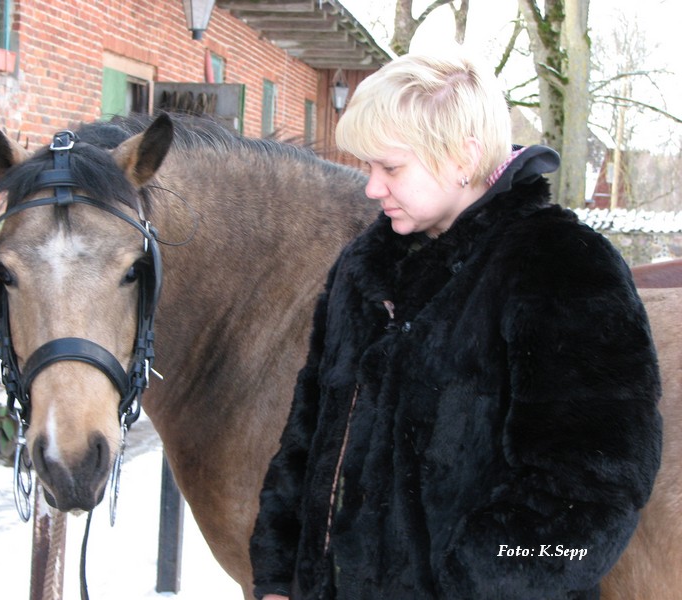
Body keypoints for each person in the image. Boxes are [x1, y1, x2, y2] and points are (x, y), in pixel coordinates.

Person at [249, 47, 662, 600]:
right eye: (367, 168)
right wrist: (279, 575)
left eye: (390, 167)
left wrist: (478, 580)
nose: (372, 188)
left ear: (463, 155)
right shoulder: (363, 267)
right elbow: (309, 432)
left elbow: (592, 494)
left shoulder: (561, 266)